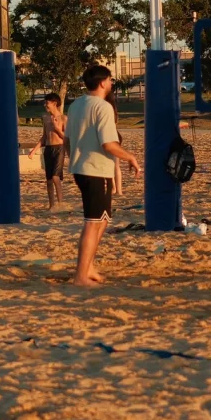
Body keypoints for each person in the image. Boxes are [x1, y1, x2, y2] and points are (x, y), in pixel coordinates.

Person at [66, 64, 141, 287]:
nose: (111, 84)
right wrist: (131, 157)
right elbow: (109, 144)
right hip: (95, 170)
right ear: (102, 82)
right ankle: (80, 275)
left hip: (83, 169)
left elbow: (68, 141)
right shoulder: (102, 107)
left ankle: (88, 267)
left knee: (103, 220)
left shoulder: (76, 105)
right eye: (110, 81)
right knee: (93, 222)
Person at [34, 92, 67, 209]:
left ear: (55, 103)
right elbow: (44, 137)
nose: (45, 105)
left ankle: (61, 204)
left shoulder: (63, 118)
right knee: (48, 180)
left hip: (59, 148)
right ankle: (51, 205)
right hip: (48, 149)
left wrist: (58, 129)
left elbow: (66, 137)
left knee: (55, 177)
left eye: (47, 103)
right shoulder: (46, 118)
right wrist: (34, 150)